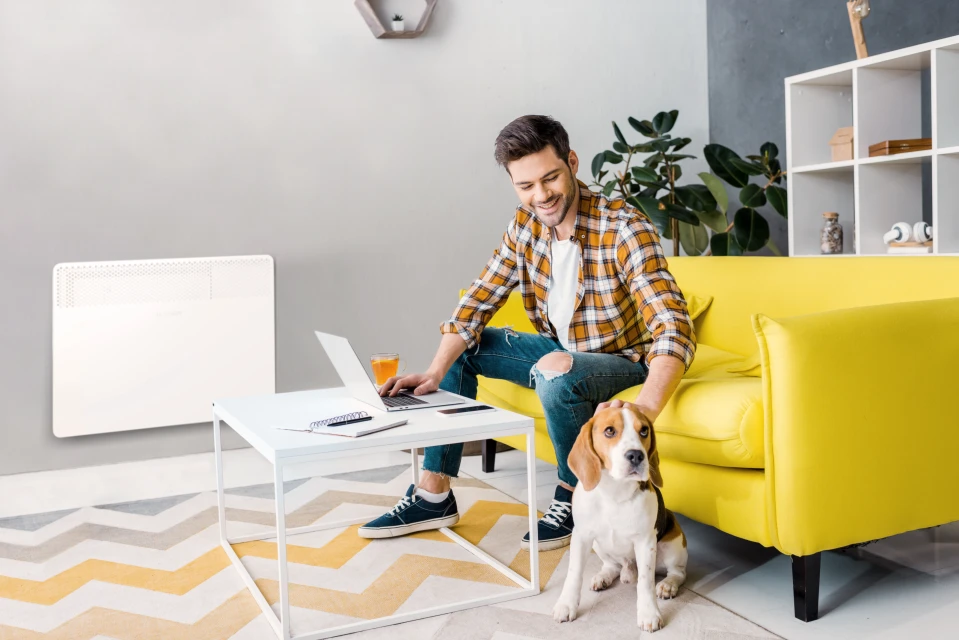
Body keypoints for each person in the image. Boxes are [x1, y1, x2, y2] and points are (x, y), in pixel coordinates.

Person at [357, 115, 695, 551]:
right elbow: (478, 300)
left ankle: (574, 496)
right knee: (468, 344)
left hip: (622, 361)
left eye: (550, 178)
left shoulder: (624, 228)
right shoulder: (526, 224)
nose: (541, 195)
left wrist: (644, 410)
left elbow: (673, 327)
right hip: (561, 348)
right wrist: (435, 371)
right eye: (526, 186)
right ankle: (433, 492)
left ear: (571, 162)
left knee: (558, 371)